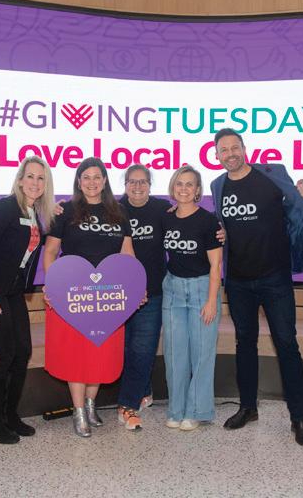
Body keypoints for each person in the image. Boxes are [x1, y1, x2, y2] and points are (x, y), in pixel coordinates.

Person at [210, 127, 303, 447]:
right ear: (217, 155)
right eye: (224, 150)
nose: (230, 154)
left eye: (235, 147)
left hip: (275, 278)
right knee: (245, 344)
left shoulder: (272, 175)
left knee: (287, 345)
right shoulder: (217, 185)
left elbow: (299, 207)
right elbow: (222, 225)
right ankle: (248, 408)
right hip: (238, 281)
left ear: (244, 149)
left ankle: (299, 419)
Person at [43, 157, 135, 438]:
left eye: (97, 177)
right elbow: (50, 252)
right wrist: (52, 286)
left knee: (100, 354)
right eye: (86, 177)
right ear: (79, 181)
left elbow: (127, 254)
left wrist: (135, 287)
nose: (92, 182)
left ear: (104, 181)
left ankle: (91, 405)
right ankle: (79, 411)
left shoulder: (119, 212)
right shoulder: (65, 211)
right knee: (77, 356)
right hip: (73, 296)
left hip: (109, 299)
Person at [0, 156, 54, 444]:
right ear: (19, 180)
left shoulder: (37, 215)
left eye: (41, 178)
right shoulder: (4, 208)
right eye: (30, 176)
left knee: (22, 351)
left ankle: (9, 416)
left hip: (14, 291)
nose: (35, 182)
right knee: (5, 352)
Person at [162, 165, 223, 431]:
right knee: (174, 354)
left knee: (201, 354)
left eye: (190, 184)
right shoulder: (166, 218)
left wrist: (211, 301)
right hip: (173, 290)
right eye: (179, 183)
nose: (184, 189)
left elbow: (216, 266)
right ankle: (176, 410)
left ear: (198, 190)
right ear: (173, 187)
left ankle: (197, 411)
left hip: (202, 290)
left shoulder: (208, 222)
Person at [115, 165, 172, 431]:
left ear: (150, 184)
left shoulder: (162, 209)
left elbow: (189, 220)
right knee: (126, 349)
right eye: (132, 182)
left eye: (143, 182)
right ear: (125, 184)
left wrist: (217, 230)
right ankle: (143, 389)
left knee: (143, 348)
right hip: (118, 294)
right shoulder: (113, 209)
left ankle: (127, 405)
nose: (137, 187)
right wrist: (62, 207)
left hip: (153, 293)